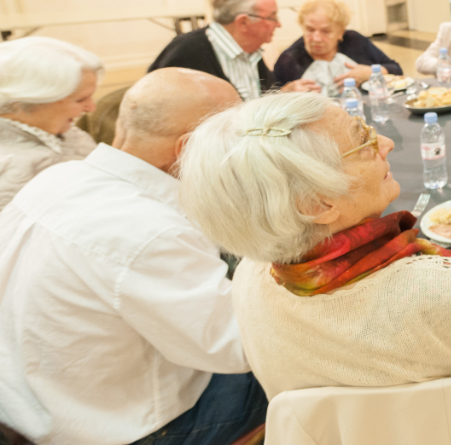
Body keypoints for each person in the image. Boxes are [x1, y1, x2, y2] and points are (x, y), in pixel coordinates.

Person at [176, 92, 451, 399]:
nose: (386, 143)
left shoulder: (253, 274)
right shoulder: (431, 291)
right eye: (363, 142)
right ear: (316, 204)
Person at [0, 68, 263, 445]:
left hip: (30, 405)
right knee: (311, 361)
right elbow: (239, 348)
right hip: (125, 428)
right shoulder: (150, 231)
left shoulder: (58, 179)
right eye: (236, 140)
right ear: (187, 148)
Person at [148, 0, 315, 99]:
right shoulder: (187, 52)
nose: (278, 24)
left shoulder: (250, 51)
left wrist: (282, 94)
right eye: (272, 18)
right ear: (243, 22)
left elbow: (255, 103)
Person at [0, 37, 100, 210]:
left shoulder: (67, 133)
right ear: (29, 99)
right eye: (81, 99)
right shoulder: (7, 166)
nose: (91, 108)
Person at [274, 0, 403, 97]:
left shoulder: (355, 41)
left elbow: (396, 70)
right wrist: (285, 92)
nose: (316, 38)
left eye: (325, 31)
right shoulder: (288, 60)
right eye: (310, 30)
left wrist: (371, 72)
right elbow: (269, 101)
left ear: (341, 32)